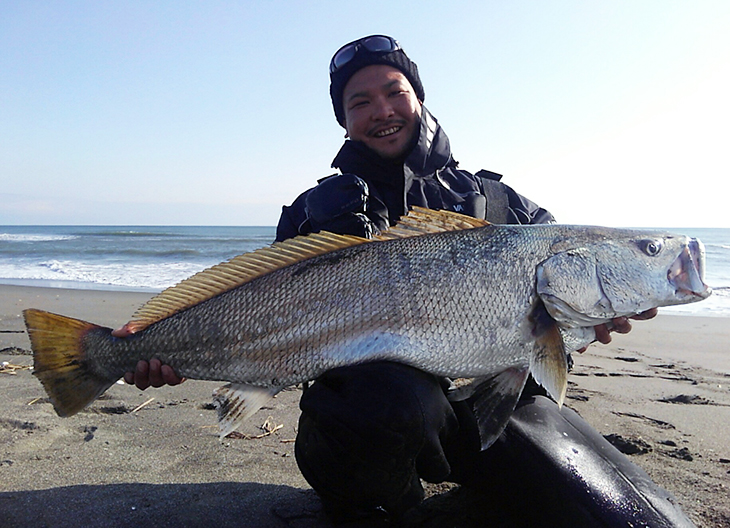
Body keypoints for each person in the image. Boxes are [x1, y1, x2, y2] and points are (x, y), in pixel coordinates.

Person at [120, 36, 695, 526]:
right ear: (344, 118)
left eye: (396, 91)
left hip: (484, 418)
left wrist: (600, 317)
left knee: (619, 513)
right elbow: (258, 308)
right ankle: (378, 507)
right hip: (358, 428)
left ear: (418, 98)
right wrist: (152, 341)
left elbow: (560, 323)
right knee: (394, 397)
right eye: (361, 100)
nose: (383, 108)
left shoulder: (502, 204)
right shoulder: (310, 213)